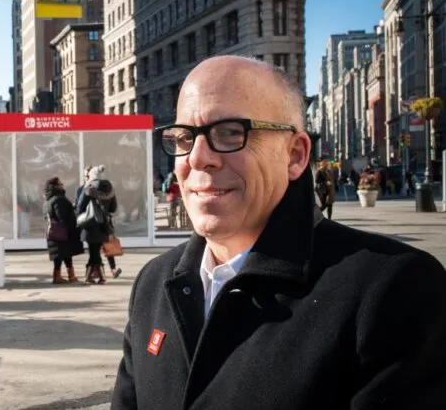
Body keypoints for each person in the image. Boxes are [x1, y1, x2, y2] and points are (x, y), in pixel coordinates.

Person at [111, 55, 446, 409]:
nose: (197, 158)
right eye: (183, 138)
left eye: (230, 133)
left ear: (295, 155)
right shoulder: (153, 283)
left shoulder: (393, 289)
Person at [76, 165, 119, 284]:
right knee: (95, 251)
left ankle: (97, 277)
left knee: (93, 251)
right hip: (103, 225)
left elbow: (80, 207)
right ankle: (97, 276)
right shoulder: (109, 188)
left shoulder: (89, 188)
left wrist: (80, 219)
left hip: (90, 224)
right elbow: (113, 208)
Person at [43, 177, 82, 284]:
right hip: (62, 231)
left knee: (60, 255)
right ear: (55, 186)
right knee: (65, 254)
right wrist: (72, 226)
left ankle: (58, 276)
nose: (62, 186)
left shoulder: (48, 199)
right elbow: (62, 216)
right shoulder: (59, 199)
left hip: (53, 231)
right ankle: (70, 276)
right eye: (60, 184)